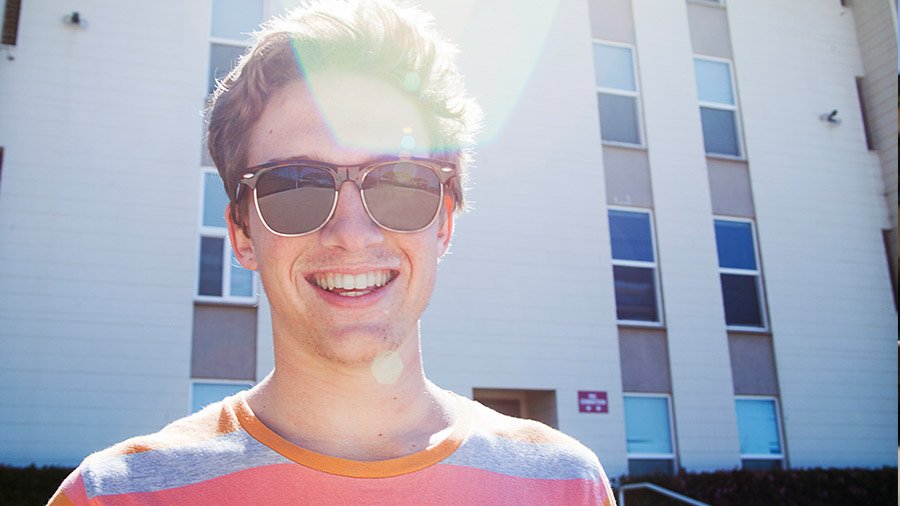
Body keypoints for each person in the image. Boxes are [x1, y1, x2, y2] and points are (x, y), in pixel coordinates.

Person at [49, 1, 615, 504]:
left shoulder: (564, 487)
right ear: (243, 234)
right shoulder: (112, 496)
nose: (351, 232)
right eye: (294, 185)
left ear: (443, 222)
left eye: (399, 181)